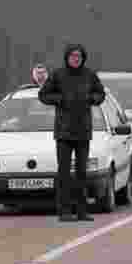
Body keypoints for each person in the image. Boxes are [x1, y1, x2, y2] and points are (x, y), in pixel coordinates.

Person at [37, 44, 107, 222]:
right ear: (67, 57)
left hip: (83, 131)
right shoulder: (58, 75)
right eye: (73, 56)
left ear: (83, 58)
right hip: (64, 132)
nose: (76, 59)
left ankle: (82, 211)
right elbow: (43, 95)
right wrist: (59, 99)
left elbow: (101, 93)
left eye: (79, 56)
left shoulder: (89, 75)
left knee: (82, 173)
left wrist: (93, 99)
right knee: (64, 173)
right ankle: (64, 211)